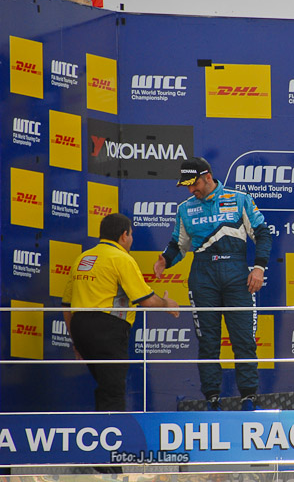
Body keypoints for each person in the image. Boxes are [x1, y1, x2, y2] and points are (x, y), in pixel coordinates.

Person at [153, 156, 272, 411]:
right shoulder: (185, 208)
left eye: (193, 184)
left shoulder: (239, 199)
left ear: (208, 177)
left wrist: (259, 267)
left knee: (243, 340)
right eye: (186, 186)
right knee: (208, 342)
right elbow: (178, 244)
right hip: (203, 275)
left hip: (237, 274)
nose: (190, 190)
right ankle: (212, 399)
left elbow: (262, 233)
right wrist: (165, 260)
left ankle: (249, 397)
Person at [62, 212, 180, 412]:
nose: (131, 239)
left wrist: (76, 341)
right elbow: (146, 300)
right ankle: (112, 430)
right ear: (124, 235)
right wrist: (166, 303)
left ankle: (103, 425)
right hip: (107, 329)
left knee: (106, 386)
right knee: (113, 391)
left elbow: (66, 305)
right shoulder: (121, 258)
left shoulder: (83, 258)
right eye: (131, 234)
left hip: (79, 327)